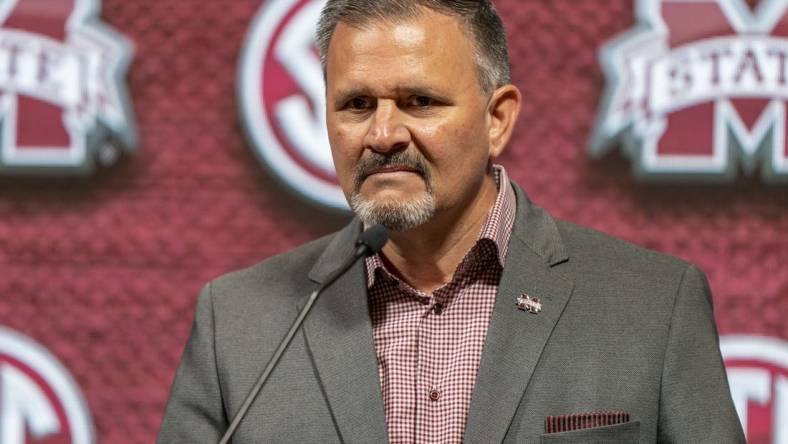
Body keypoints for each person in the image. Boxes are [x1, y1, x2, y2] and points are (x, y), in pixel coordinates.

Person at [158, 1, 745, 442]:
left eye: (420, 102)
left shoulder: (654, 307)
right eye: (356, 105)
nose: (383, 135)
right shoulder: (237, 323)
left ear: (498, 118)